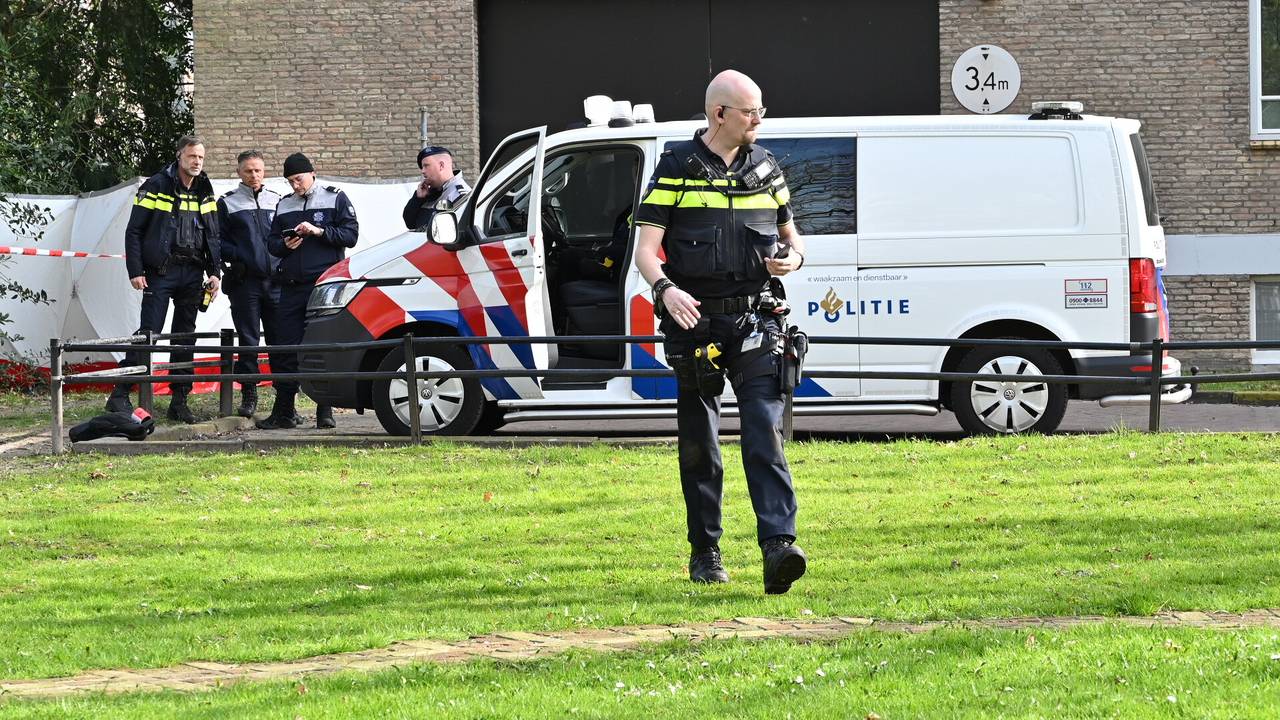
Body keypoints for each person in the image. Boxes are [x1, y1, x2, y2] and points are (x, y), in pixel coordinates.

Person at [633, 70, 809, 594]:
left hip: (757, 320)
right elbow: (645, 250)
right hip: (695, 325)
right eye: (751, 111)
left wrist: (791, 262)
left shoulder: (768, 167)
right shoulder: (676, 169)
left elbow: (794, 241)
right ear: (719, 115)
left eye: (761, 110)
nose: (759, 119)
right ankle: (705, 551)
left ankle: (779, 547)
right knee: (701, 445)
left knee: (763, 429)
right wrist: (666, 288)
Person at [106, 135, 222, 424]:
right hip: (161, 272)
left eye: (201, 157)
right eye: (192, 156)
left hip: (193, 272)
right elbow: (134, 230)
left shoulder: (205, 188)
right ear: (179, 156)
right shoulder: (157, 184)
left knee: (185, 339)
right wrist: (136, 270)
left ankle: (179, 401)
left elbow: (212, 234)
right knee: (150, 334)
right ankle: (119, 394)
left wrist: (215, 272)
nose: (197, 162)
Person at [256, 152, 359, 429]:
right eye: (290, 181)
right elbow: (272, 243)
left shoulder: (334, 197)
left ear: (312, 173)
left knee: (320, 347)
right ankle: (285, 410)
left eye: (298, 179)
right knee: (286, 348)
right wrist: (283, 245)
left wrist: (319, 231)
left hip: (323, 286)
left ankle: (325, 410)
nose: (295, 186)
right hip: (291, 286)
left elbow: (350, 236)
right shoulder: (284, 204)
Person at [216, 150, 283, 418]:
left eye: (258, 170)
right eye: (248, 171)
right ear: (239, 173)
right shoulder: (227, 203)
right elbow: (217, 241)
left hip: (277, 281)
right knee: (248, 340)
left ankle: (285, 399)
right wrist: (240, 257)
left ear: (264, 171)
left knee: (281, 341)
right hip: (245, 283)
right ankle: (249, 394)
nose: (254, 176)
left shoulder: (278, 200)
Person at [401, 145, 471, 230]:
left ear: (441, 165)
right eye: (422, 167)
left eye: (426, 166)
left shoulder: (460, 196)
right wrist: (417, 199)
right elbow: (410, 223)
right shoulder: (430, 193)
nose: (422, 171)